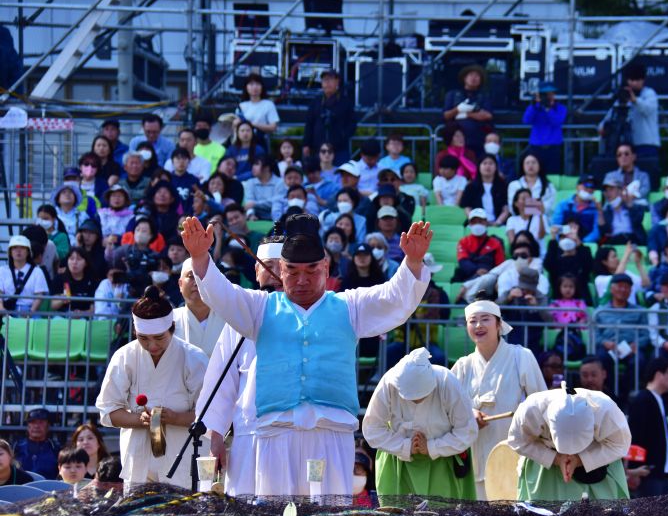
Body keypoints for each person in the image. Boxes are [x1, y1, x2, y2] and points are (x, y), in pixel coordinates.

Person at [182, 213, 433, 496]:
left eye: (311, 271)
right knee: (272, 512)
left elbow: (393, 298)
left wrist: (412, 262)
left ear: (326, 269)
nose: (302, 280)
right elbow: (222, 294)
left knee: (326, 512)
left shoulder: (349, 307)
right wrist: (201, 257)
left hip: (331, 432)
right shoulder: (260, 307)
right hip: (274, 432)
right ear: (281, 270)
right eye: (292, 271)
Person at [95, 286, 209, 488]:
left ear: (172, 329)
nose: (152, 345)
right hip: (138, 460)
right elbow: (107, 411)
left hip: (181, 458)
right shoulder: (125, 356)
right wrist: (140, 419)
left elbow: (210, 413)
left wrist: (176, 418)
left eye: (159, 338)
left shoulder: (194, 357)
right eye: (143, 338)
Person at [197, 238, 283, 497]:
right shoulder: (239, 316)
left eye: (282, 266)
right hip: (249, 431)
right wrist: (216, 434)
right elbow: (222, 381)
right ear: (256, 271)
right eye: (268, 266)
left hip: (292, 434)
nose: (275, 274)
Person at [451, 299, 547, 499]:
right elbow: (447, 408)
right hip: (474, 458)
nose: (478, 325)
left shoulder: (521, 356)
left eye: (485, 319)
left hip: (515, 457)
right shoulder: (462, 366)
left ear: (498, 325)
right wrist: (469, 414)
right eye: (472, 321)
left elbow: (541, 405)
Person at [363, 348, 479, 500]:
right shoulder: (389, 382)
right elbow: (372, 428)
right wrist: (405, 446)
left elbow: (467, 430)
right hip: (398, 461)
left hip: (443, 463)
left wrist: (432, 447)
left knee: (443, 515)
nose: (415, 401)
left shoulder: (445, 380)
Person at [508, 384, 631, 501]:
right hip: (544, 467)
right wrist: (555, 458)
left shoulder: (605, 409)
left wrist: (581, 459)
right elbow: (516, 440)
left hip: (598, 464)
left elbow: (621, 444)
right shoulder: (530, 410)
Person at [594, 274, 650, 401]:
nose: (623, 290)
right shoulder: (600, 311)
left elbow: (645, 335)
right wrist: (605, 343)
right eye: (619, 287)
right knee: (601, 358)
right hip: (609, 347)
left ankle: (623, 395)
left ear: (631, 291)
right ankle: (611, 394)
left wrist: (636, 345)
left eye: (626, 288)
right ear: (612, 289)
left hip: (631, 347)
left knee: (639, 361)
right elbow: (595, 334)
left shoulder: (639, 311)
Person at [626, 358, 668, 498]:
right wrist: (635, 470)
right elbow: (635, 436)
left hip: (661, 472)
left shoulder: (660, 399)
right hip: (648, 474)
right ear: (659, 375)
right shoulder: (642, 399)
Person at [600, 64, 660, 158]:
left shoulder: (649, 94)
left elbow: (647, 109)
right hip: (625, 147)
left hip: (646, 144)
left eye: (637, 80)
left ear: (643, 80)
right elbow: (610, 116)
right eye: (631, 80)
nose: (634, 83)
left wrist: (634, 100)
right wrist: (603, 127)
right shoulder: (623, 96)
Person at [171, 259, 227, 358]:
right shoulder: (169, 320)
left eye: (203, 277)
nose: (197, 283)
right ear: (180, 284)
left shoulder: (229, 320)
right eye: (191, 276)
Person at [302, 69, 356, 165]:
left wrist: (342, 136)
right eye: (325, 80)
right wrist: (306, 144)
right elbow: (309, 124)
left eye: (331, 79)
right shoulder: (316, 102)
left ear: (337, 82)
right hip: (318, 148)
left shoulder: (346, 102)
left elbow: (352, 124)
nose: (327, 83)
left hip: (340, 148)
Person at [442, 64, 494, 156]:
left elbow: (488, 115)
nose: (473, 78)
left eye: (477, 76)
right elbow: (446, 115)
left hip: (478, 139)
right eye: (471, 75)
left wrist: (466, 114)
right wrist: (457, 109)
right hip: (456, 141)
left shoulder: (484, 96)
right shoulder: (453, 94)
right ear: (464, 78)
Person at [521, 81, 566, 175]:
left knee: (553, 175)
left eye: (551, 94)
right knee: (535, 173)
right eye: (546, 94)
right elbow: (526, 120)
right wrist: (534, 106)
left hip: (553, 147)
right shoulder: (534, 107)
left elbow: (557, 121)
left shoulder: (560, 108)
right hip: (536, 146)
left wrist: (548, 109)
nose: (549, 97)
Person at [544, 222, 593, 305]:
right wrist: (553, 238)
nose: (567, 240)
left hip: (581, 301)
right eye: (563, 237)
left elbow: (589, 266)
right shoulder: (555, 256)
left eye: (569, 237)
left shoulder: (583, 252)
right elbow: (548, 265)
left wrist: (578, 243)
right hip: (559, 301)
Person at [0, 235, 49, 315]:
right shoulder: (2, 270)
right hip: (7, 309)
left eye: (22, 248)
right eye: (15, 247)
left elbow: (39, 296)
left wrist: (31, 312)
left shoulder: (37, 271)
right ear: (10, 252)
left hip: (29, 309)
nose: (18, 251)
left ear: (28, 252)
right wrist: (2, 310)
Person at [455, 209, 505, 281]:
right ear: (470, 224)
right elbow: (462, 261)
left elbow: (500, 266)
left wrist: (489, 274)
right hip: (470, 276)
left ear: (486, 223)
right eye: (474, 222)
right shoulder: (463, 242)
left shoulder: (495, 243)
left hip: (489, 277)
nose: (477, 224)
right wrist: (477, 270)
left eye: (480, 221)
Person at [234, 73, 280, 152]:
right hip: (243, 143)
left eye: (258, 84)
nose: (254, 87)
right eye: (251, 84)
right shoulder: (241, 106)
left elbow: (273, 127)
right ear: (246, 87)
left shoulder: (268, 104)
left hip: (260, 141)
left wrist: (253, 124)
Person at [598, 172, 647, 245]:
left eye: (611, 189)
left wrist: (629, 205)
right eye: (606, 190)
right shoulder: (606, 210)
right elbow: (604, 231)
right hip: (614, 241)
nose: (608, 193)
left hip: (633, 239)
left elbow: (638, 221)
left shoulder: (635, 206)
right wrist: (600, 213)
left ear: (621, 190)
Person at [460, 154, 509, 226]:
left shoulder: (503, 186)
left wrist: (497, 223)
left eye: (491, 163)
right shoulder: (471, 186)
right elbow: (467, 208)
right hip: (476, 224)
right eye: (484, 163)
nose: (488, 166)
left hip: (498, 224)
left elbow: (506, 209)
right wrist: (475, 221)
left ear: (496, 167)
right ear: (479, 167)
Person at [551, 174, 601, 243]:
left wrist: (580, 243)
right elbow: (555, 226)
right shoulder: (563, 205)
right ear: (577, 186)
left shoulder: (596, 209)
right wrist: (562, 240)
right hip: (563, 243)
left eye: (592, 187)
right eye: (586, 185)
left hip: (583, 245)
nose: (589, 189)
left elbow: (596, 232)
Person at [14, 408, 61, 479]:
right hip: (21, 488)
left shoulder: (55, 449)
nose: (36, 426)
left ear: (48, 426)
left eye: (41, 422)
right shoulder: (16, 447)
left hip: (48, 488)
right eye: (33, 422)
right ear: (28, 426)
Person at [50, 247, 97, 314]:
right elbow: (52, 306)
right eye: (71, 259)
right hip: (61, 317)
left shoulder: (92, 281)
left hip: (84, 319)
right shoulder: (59, 279)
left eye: (79, 259)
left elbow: (93, 309)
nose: (74, 262)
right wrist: (62, 300)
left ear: (86, 263)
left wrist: (81, 313)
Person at [244, 155, 282, 220]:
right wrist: (250, 215)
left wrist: (255, 204)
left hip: (277, 219)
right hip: (256, 218)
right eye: (253, 164)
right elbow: (249, 202)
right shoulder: (250, 182)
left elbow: (277, 202)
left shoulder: (280, 182)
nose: (253, 167)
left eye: (257, 164)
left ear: (267, 167)